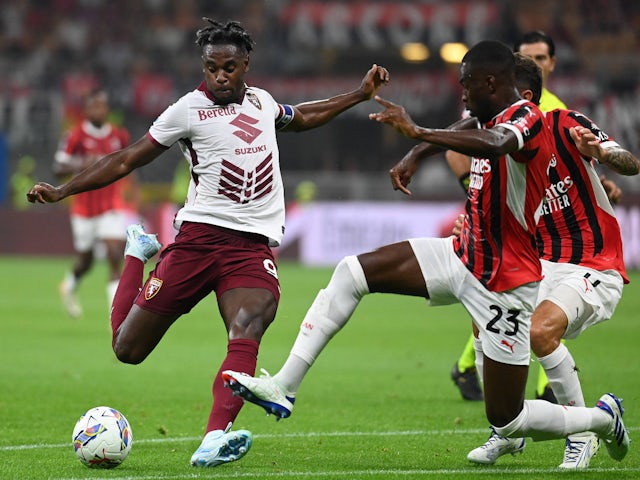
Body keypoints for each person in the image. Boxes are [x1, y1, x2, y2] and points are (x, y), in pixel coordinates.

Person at [222, 41, 630, 465]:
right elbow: (467, 126)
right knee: (353, 272)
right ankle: (284, 387)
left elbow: (494, 143)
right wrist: (416, 153)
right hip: (461, 255)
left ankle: (599, 420)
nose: (462, 92)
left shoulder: (529, 119)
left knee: (507, 419)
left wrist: (417, 132)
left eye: (466, 83)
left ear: (491, 82)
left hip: (505, 282)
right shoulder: (486, 115)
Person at [26, 19, 390, 468]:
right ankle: (137, 255)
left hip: (250, 249)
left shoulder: (262, 102)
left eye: (229, 67)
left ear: (245, 66)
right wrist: (64, 190)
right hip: (197, 241)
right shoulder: (187, 110)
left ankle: (214, 437)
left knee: (250, 321)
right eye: (212, 67)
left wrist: (357, 95)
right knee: (127, 349)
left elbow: (303, 117)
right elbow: (126, 157)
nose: (219, 75)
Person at [434, 54, 638, 469]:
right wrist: (468, 226)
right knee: (484, 315)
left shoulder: (564, 124)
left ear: (523, 97)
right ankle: (507, 431)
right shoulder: (502, 145)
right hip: (537, 264)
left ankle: (584, 433)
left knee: (539, 332)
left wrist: (600, 151)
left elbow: (631, 164)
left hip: (592, 263)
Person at [450, 30, 569, 403]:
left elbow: (568, 163)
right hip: (502, 223)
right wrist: (475, 193)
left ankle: (540, 391)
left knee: (532, 306)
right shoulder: (491, 102)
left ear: (552, 63)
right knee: (491, 299)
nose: (535, 62)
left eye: (542, 57)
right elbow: (456, 148)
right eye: (526, 55)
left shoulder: (551, 109)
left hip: (547, 221)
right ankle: (479, 372)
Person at [53, 89, 135, 318]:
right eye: (93, 106)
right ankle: (70, 284)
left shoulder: (119, 136)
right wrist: (81, 162)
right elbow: (58, 169)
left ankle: (116, 316)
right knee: (85, 260)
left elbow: (129, 164)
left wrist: (133, 192)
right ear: (86, 110)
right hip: (83, 210)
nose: (98, 110)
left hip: (111, 207)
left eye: (102, 106)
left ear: (107, 109)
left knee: (114, 253)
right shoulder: (75, 136)